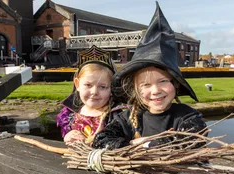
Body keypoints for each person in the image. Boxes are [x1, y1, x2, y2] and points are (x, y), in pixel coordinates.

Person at [92, 2, 207, 150]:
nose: (155, 90)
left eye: (163, 81)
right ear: (136, 89)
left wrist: (146, 144)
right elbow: (101, 140)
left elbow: (191, 141)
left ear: (176, 83)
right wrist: (129, 144)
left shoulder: (188, 116)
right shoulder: (128, 118)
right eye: (146, 85)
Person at [57, 45, 123, 145]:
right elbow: (67, 136)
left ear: (111, 88)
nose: (94, 92)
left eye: (103, 87)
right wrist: (68, 136)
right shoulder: (70, 114)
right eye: (88, 85)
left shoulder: (116, 116)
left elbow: (118, 143)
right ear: (77, 84)